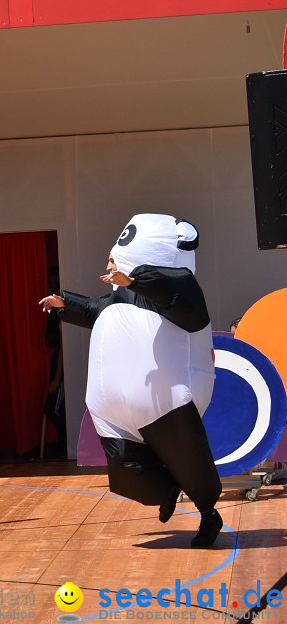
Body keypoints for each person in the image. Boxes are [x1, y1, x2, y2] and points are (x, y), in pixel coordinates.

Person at [40, 214, 222, 547]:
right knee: (130, 478)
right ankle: (170, 487)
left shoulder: (180, 288)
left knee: (191, 465)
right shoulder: (119, 297)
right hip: (113, 410)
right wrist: (65, 303)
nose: (109, 261)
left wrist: (136, 280)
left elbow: (177, 299)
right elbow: (96, 309)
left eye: (116, 257)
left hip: (165, 402)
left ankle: (209, 515)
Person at [43, 268, 67, 457]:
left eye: (57, 285)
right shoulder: (54, 314)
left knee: (55, 409)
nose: (53, 289)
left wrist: (57, 379)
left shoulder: (63, 316)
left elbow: (63, 352)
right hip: (56, 366)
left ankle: (64, 446)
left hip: (64, 370)